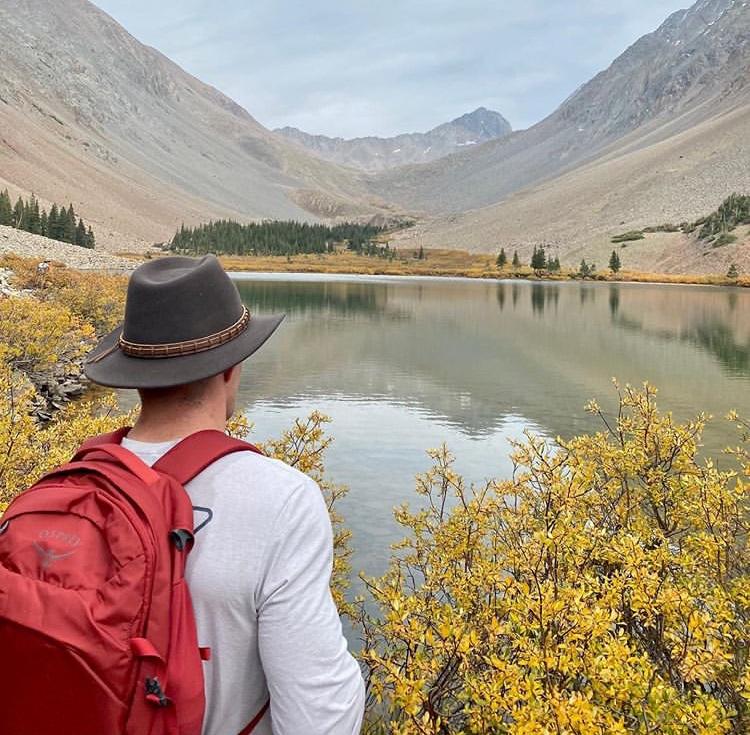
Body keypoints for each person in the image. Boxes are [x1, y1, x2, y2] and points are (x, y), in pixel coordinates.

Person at [84, 254, 365, 735]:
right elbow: (318, 717)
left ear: (135, 375)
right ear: (231, 367)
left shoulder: (76, 482)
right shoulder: (281, 500)